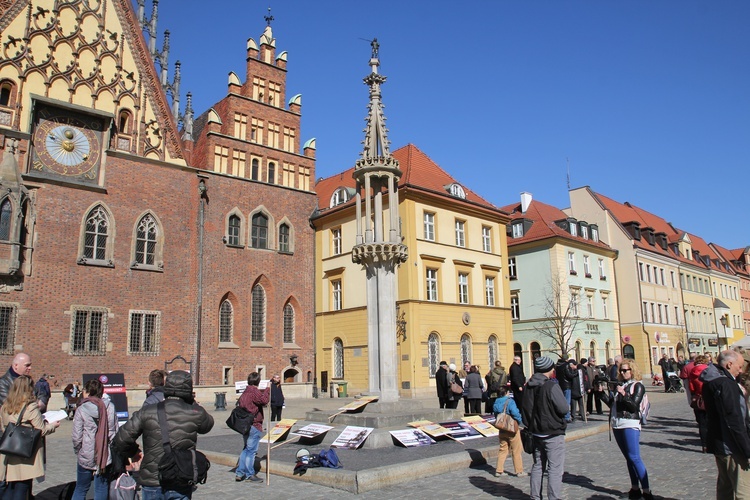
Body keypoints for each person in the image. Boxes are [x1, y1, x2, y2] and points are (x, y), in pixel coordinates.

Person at [113, 370, 214, 499]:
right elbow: (208, 424)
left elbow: (121, 439)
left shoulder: (147, 411)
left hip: (152, 479)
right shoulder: (195, 412)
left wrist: (134, 452)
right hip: (180, 476)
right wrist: (192, 401)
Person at [600, 359, 653, 500]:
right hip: (617, 423)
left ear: (632, 370)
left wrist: (624, 394)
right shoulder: (622, 385)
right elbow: (612, 405)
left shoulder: (638, 386)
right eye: (621, 370)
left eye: (625, 370)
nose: (623, 373)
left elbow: (633, 407)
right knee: (628, 458)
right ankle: (635, 488)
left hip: (630, 423)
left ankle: (647, 491)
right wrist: (601, 394)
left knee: (635, 457)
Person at [0, 375, 59, 499]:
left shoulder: (5, 406)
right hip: (25, 452)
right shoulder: (30, 407)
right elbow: (41, 430)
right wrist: (52, 425)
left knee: (10, 488)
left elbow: (3, 428)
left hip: (10, 451)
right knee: (22, 488)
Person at [701, 349, 750, 499]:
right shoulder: (726, 384)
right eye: (739, 366)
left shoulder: (711, 381)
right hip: (732, 445)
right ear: (729, 364)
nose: (740, 370)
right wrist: (746, 448)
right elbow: (734, 418)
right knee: (743, 491)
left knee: (725, 487)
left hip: (719, 443)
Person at [521, 356, 569, 500]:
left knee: (538, 466)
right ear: (550, 369)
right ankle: (553, 497)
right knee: (554, 469)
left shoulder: (528, 386)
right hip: (552, 432)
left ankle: (535, 497)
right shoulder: (551, 386)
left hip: (535, 432)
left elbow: (525, 409)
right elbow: (564, 408)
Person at [72, 378, 118, 500]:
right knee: (101, 487)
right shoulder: (110, 407)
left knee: (81, 488)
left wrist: (78, 450)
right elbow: (113, 432)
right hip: (104, 453)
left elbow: (77, 436)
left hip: (86, 452)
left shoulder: (81, 409)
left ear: (87, 392)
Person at [235, 372, 270, 483]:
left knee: (246, 449)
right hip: (254, 424)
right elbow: (264, 401)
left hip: (244, 424)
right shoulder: (254, 391)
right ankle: (250, 474)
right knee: (251, 451)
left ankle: (240, 473)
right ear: (258, 381)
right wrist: (268, 390)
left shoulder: (245, 391)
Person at [493, 385, 525, 477]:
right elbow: (515, 413)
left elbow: (496, 414)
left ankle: (499, 470)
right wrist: (519, 421)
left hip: (502, 428)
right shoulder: (510, 401)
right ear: (506, 393)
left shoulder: (496, 402)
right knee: (516, 450)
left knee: (503, 449)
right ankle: (519, 471)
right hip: (511, 428)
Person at [688, 354, 710, 451]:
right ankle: (712, 443)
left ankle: (704, 445)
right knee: (711, 422)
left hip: (698, 399)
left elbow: (691, 387)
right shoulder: (709, 370)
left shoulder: (692, 372)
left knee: (702, 423)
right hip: (709, 399)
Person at [555, 357, 575, 423]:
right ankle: (567, 416)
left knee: (562, 401)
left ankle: (562, 415)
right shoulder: (566, 365)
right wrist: (575, 374)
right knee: (567, 401)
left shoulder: (557, 365)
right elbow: (569, 375)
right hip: (567, 385)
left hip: (560, 385)